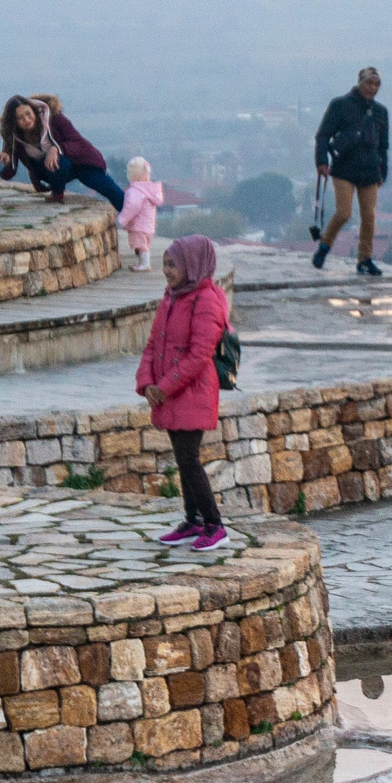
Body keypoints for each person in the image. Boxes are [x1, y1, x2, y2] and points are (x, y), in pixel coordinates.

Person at [135, 234, 232, 552]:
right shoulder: (173, 296)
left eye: (172, 264)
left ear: (191, 265)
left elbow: (199, 355)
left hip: (193, 392)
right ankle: (193, 520)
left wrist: (163, 388)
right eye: (164, 263)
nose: (166, 270)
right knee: (182, 458)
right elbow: (153, 343)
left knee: (189, 458)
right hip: (172, 392)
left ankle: (215, 525)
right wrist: (147, 382)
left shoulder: (207, 300)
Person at [310, 66, 388, 275]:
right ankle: (324, 247)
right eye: (369, 83)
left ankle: (364, 259)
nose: (373, 88)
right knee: (344, 212)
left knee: (369, 216)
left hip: (370, 171)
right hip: (344, 168)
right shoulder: (340, 105)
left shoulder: (381, 112)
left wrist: (383, 172)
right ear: (360, 83)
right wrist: (321, 161)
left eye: (376, 84)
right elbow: (323, 135)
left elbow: (383, 147)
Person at [0, 94, 126, 208]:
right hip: (52, 170)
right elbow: (8, 174)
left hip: (80, 162)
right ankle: (57, 193)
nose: (26, 120)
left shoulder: (53, 117)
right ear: (14, 121)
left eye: (28, 114)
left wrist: (56, 148)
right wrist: (5, 162)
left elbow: (77, 142)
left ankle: (140, 221)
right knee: (62, 164)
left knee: (109, 188)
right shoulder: (12, 136)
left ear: (34, 110)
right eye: (20, 118)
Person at [117, 157, 162, 270]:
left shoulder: (135, 191)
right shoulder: (151, 190)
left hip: (138, 225)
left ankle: (145, 264)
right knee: (145, 244)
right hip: (148, 225)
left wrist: (122, 219)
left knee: (141, 246)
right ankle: (142, 263)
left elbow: (132, 207)